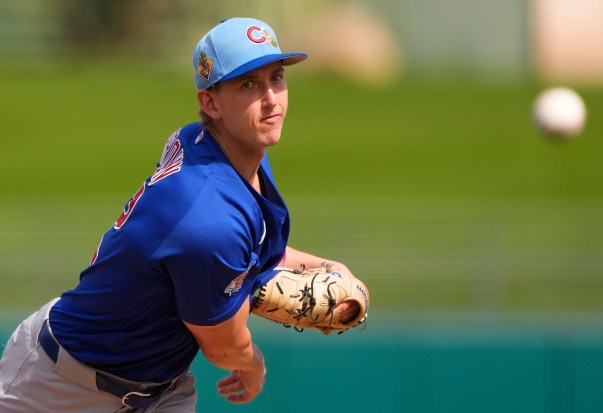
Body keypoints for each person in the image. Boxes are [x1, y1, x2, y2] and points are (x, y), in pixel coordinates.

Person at [0, 17, 360, 413]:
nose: (271, 98)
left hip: (161, 389)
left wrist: (327, 266)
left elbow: (252, 252)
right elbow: (224, 347)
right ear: (210, 102)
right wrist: (253, 363)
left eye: (276, 77)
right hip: (58, 385)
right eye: (248, 84)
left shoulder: (221, 148)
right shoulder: (208, 218)